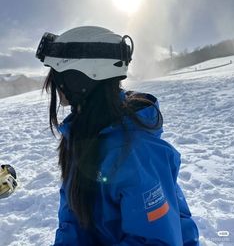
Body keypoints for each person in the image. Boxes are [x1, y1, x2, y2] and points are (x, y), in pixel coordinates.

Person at [36, 26, 199, 245]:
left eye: (57, 76)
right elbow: (73, 220)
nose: (53, 87)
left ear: (79, 78)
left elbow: (155, 241)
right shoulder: (81, 135)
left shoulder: (136, 152)